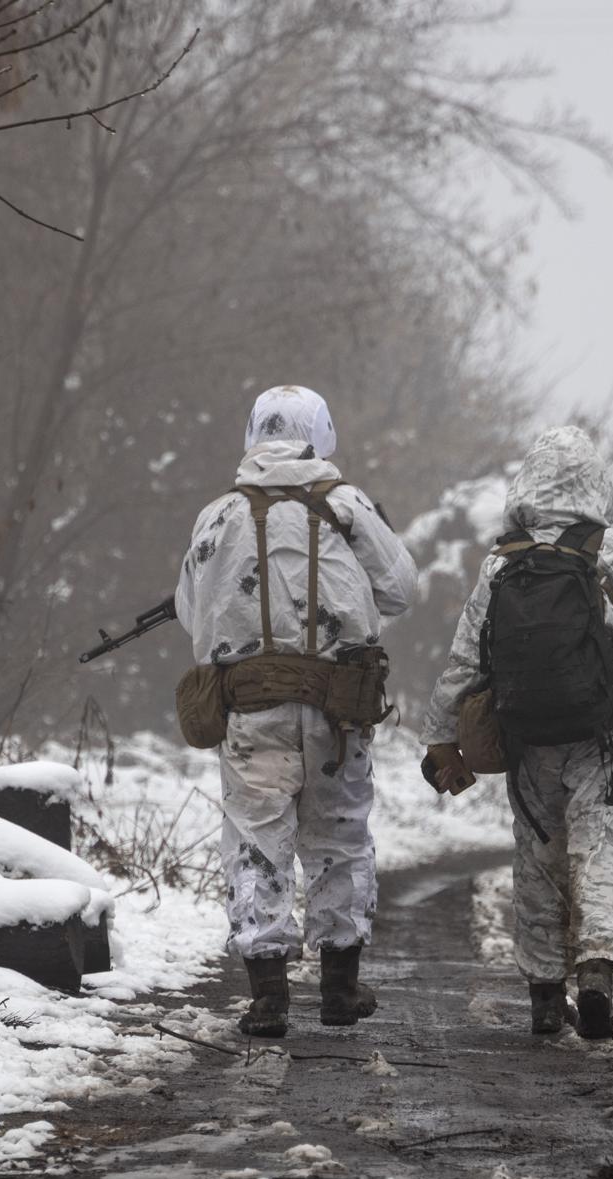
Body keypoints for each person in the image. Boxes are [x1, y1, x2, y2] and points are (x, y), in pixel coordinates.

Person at [419, 426, 613, 1040]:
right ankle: (595, 969)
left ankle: (545, 996)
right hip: (602, 734)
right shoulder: (607, 551)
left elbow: (464, 662)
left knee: (538, 856)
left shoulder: (501, 563)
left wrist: (440, 738)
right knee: (599, 845)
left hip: (524, 735)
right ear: (595, 484)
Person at [175, 385, 418, 1037]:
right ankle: (339, 989)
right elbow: (400, 591)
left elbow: (188, 611)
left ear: (251, 432)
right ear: (323, 433)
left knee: (257, 843)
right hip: (339, 712)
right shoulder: (349, 507)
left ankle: (268, 997)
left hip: (252, 713)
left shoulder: (218, 516)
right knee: (339, 841)